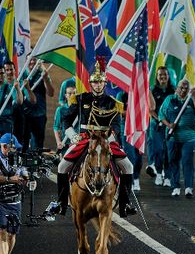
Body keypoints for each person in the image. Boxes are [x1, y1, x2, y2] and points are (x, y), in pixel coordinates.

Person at [51, 61, 137, 218]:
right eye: (95, 82)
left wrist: (109, 138)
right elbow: (66, 120)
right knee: (63, 166)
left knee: (128, 166)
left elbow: (116, 125)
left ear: (105, 83)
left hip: (105, 140)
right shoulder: (81, 99)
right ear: (90, 84)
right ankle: (61, 204)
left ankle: (126, 204)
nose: (98, 85)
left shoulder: (113, 103)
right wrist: (72, 135)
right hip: (84, 138)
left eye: (100, 82)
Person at [159, 79, 195, 198]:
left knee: (187, 161)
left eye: (186, 88)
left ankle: (188, 187)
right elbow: (161, 115)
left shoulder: (191, 100)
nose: (183, 90)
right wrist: (169, 125)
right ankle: (176, 186)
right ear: (176, 88)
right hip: (173, 137)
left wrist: (193, 97)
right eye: (181, 88)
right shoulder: (170, 99)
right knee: (173, 161)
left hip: (190, 138)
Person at [0, 133, 27, 254]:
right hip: (1, 200)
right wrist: (11, 178)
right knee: (2, 230)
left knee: (12, 233)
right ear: (5, 147)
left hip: (15, 200)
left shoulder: (18, 159)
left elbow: (24, 172)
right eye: (12, 148)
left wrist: (27, 178)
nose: (14, 150)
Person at [147, 66, 175, 186]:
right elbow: (150, 109)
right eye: (160, 75)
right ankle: (159, 173)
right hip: (156, 124)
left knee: (169, 150)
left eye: (165, 75)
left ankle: (168, 176)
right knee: (158, 149)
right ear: (157, 77)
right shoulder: (152, 90)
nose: (163, 77)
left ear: (168, 76)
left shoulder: (173, 91)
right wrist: (159, 119)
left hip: (170, 126)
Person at [21, 57, 54, 151]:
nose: (32, 62)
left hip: (39, 114)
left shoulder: (43, 74)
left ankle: (35, 165)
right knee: (23, 144)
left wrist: (46, 79)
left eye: (34, 60)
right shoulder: (22, 75)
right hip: (25, 114)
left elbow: (51, 93)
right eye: (30, 59)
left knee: (37, 145)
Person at [53, 85, 76, 154]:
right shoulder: (60, 109)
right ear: (66, 95)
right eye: (69, 93)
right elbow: (56, 127)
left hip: (78, 142)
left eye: (74, 93)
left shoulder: (80, 109)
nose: (72, 95)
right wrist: (58, 141)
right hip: (66, 142)